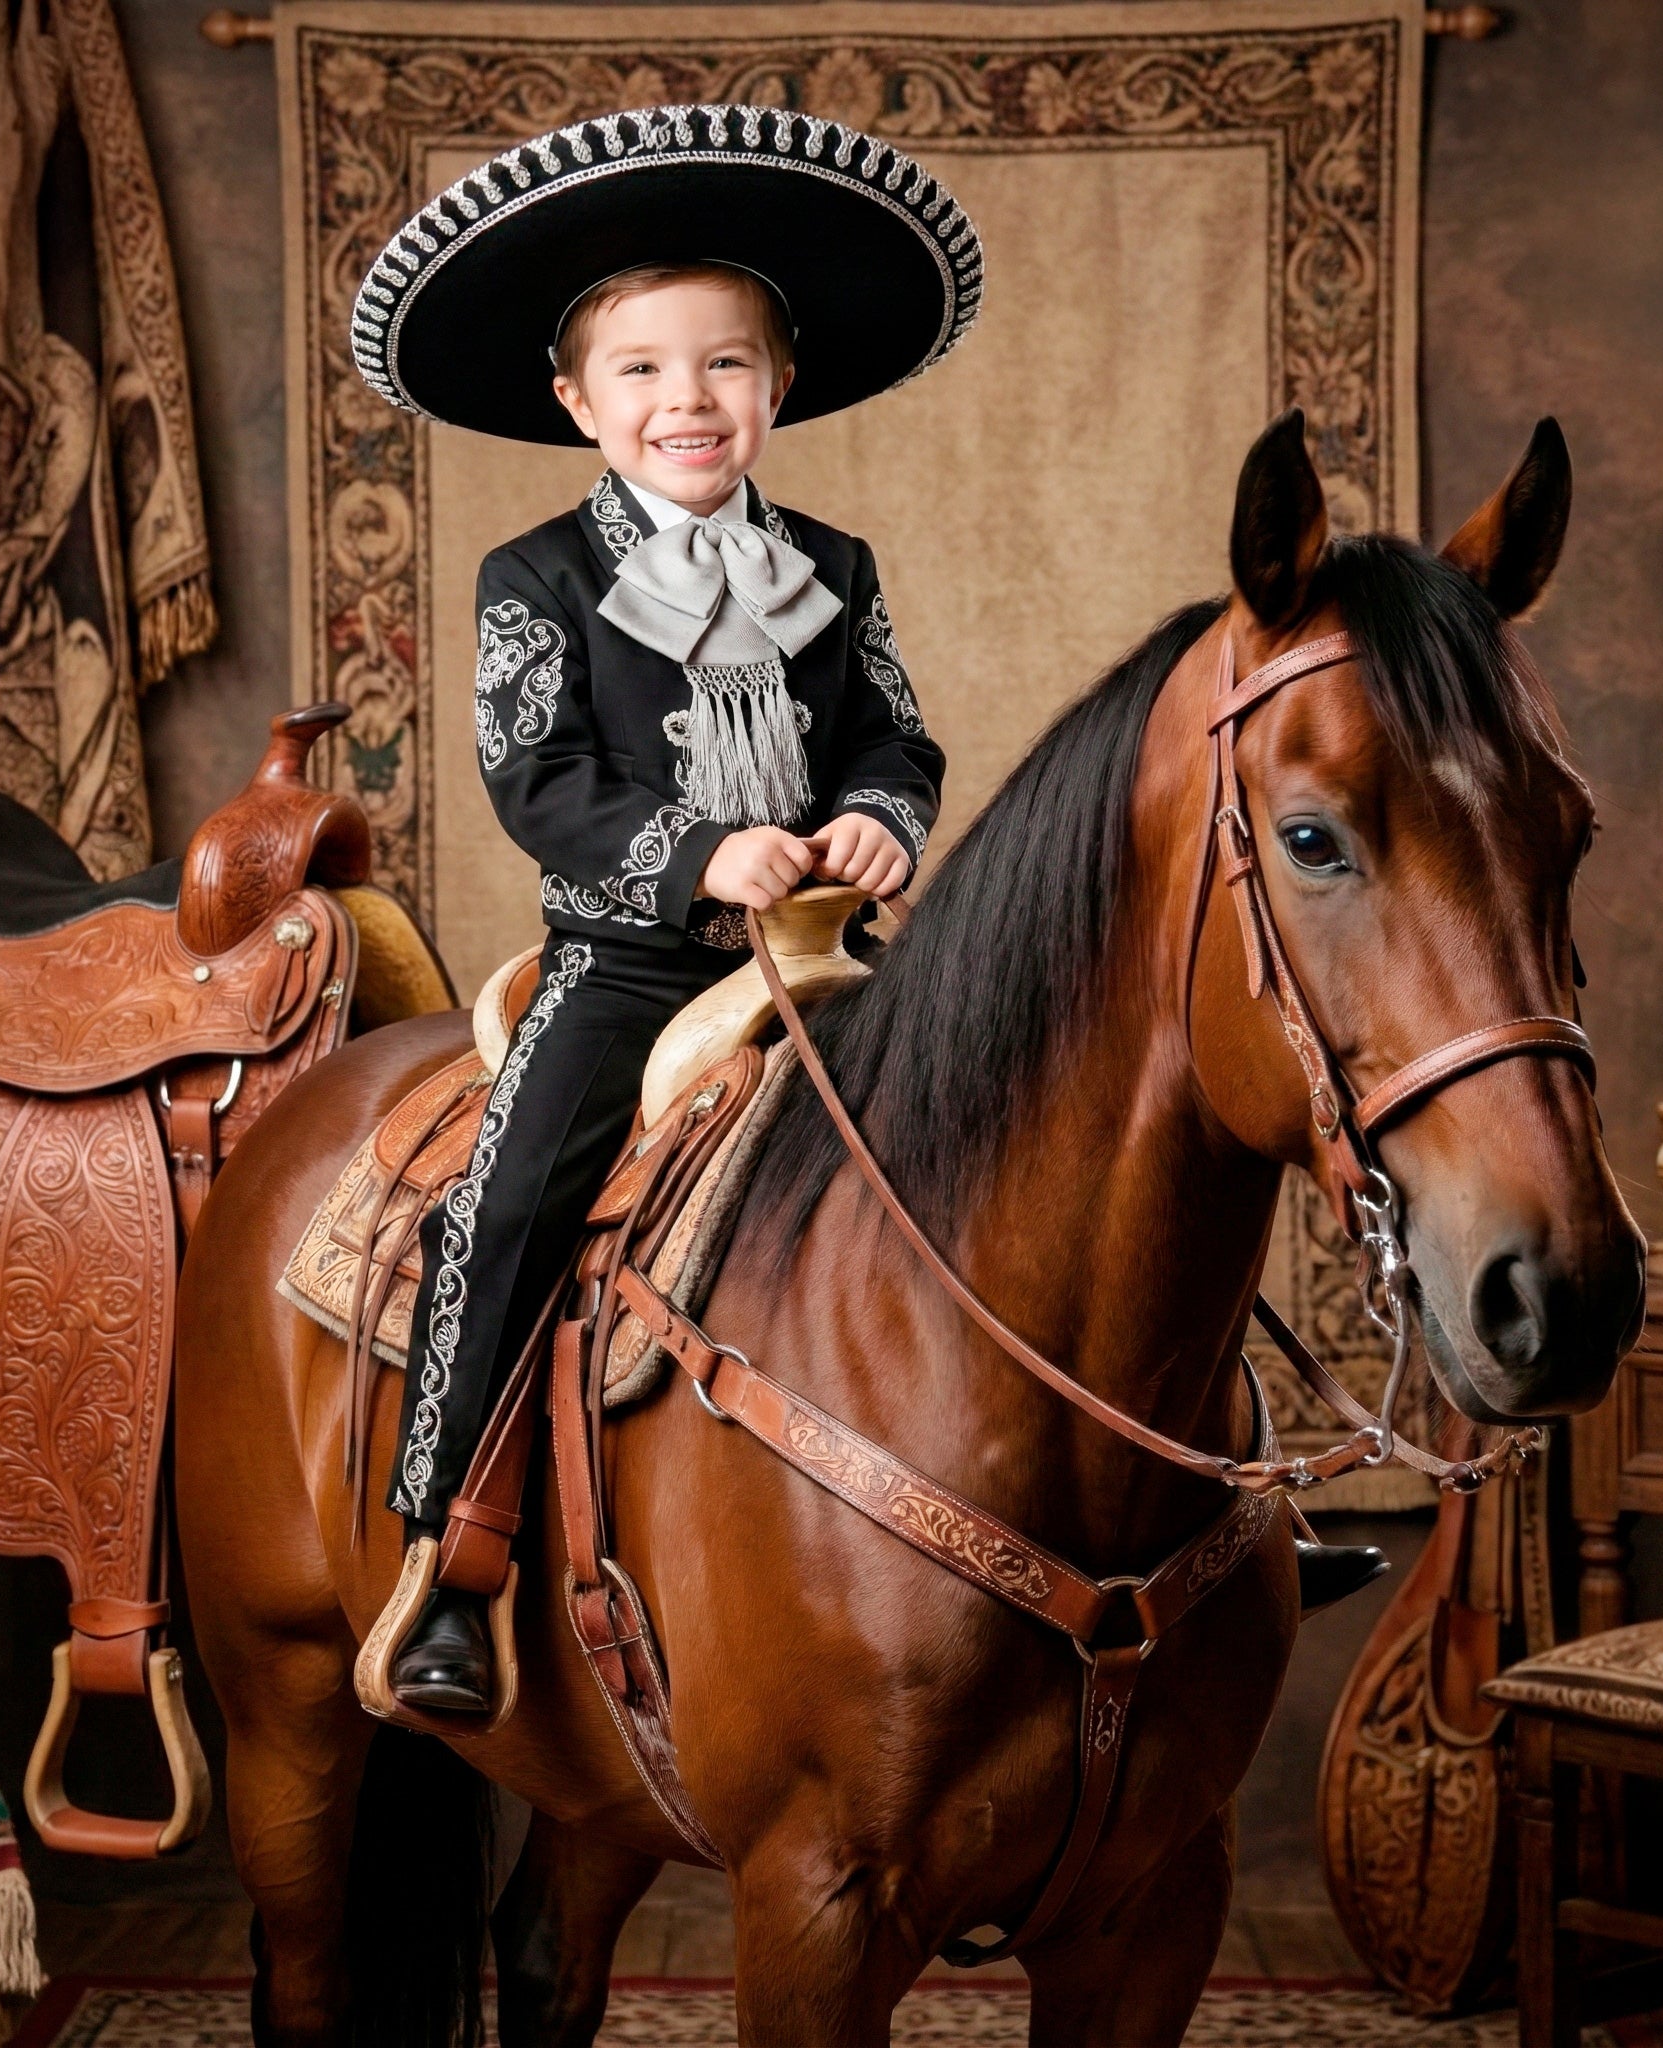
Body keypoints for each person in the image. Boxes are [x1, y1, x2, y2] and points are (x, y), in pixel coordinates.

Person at [347, 105, 1377, 1712]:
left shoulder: (831, 563)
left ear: (779, 386)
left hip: (830, 960)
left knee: (1082, 1144)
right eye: (641, 371)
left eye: (726, 367)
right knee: (503, 1210)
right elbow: (534, 779)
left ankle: (1220, 1497)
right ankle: (449, 1558)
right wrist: (702, 854)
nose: (686, 401)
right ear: (575, 401)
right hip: (632, 967)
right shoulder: (533, 579)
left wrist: (881, 821)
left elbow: (895, 731)